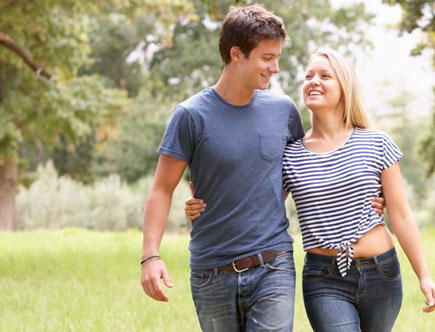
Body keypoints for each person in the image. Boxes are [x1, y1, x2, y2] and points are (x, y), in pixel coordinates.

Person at [139, 5, 384, 332]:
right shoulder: (190, 115)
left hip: (274, 264)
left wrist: (368, 199)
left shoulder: (283, 111)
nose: (276, 68)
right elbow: (161, 188)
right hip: (210, 270)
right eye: (267, 58)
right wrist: (150, 256)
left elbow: (309, 168)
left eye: (277, 57)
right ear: (237, 54)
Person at [186, 48, 435, 332]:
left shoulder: (376, 143)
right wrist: (203, 204)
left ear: (344, 88)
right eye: (308, 76)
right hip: (324, 277)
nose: (313, 81)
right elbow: (257, 199)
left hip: (382, 271)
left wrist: (424, 276)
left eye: (324, 76)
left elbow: (402, 215)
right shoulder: (291, 154)